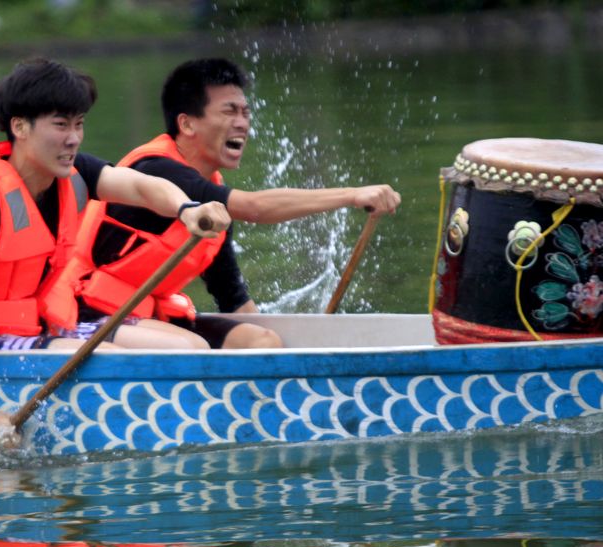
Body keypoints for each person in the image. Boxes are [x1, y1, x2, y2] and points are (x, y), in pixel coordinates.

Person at [0, 58, 231, 447]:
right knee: (114, 364)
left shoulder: (74, 173)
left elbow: (144, 187)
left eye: (79, 124)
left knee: (190, 349)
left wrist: (186, 209)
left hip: (43, 326)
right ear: (19, 127)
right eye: (61, 125)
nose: (74, 138)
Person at [53, 57, 402, 350]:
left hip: (147, 318)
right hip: (88, 313)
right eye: (229, 111)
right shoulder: (157, 169)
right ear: (187, 124)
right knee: (193, 348)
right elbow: (255, 208)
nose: (242, 123)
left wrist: (300, 342)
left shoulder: (215, 209)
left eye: (246, 112)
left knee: (262, 341)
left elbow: (234, 300)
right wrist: (352, 195)